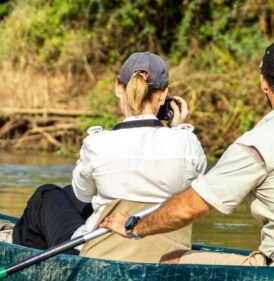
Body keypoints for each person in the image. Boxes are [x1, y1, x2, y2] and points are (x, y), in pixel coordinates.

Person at [100, 38, 274, 266]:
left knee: (170, 260)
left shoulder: (257, 145)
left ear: (263, 83)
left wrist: (134, 225)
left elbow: (188, 208)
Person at [11, 52, 207, 262]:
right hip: (166, 253)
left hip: (100, 252)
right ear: (163, 95)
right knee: (67, 195)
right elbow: (197, 191)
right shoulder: (187, 143)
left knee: (47, 195)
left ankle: (29, 269)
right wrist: (176, 129)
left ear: (118, 87)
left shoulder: (97, 143)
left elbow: (83, 193)